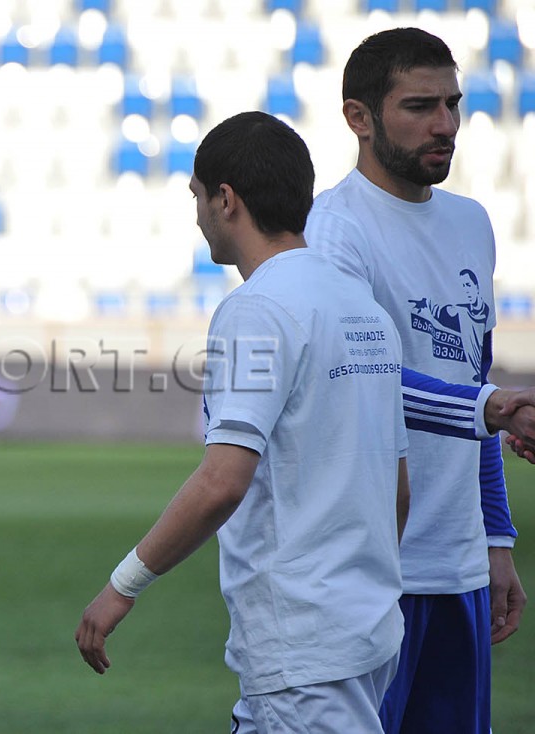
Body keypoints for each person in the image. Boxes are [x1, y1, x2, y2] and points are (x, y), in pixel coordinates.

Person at [76, 111, 410, 733]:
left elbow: (222, 481)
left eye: (197, 198)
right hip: (367, 629)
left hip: (303, 647)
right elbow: (397, 486)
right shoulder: (364, 309)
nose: (197, 215)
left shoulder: (257, 309)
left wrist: (122, 586)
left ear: (226, 200)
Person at [304, 27, 527, 733]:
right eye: (419, 106)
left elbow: (471, 377)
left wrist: (495, 541)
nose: (445, 125)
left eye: (453, 104)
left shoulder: (471, 222)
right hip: (369, 574)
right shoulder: (333, 230)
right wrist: (491, 408)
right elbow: (358, 381)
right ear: (358, 117)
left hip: (459, 571)